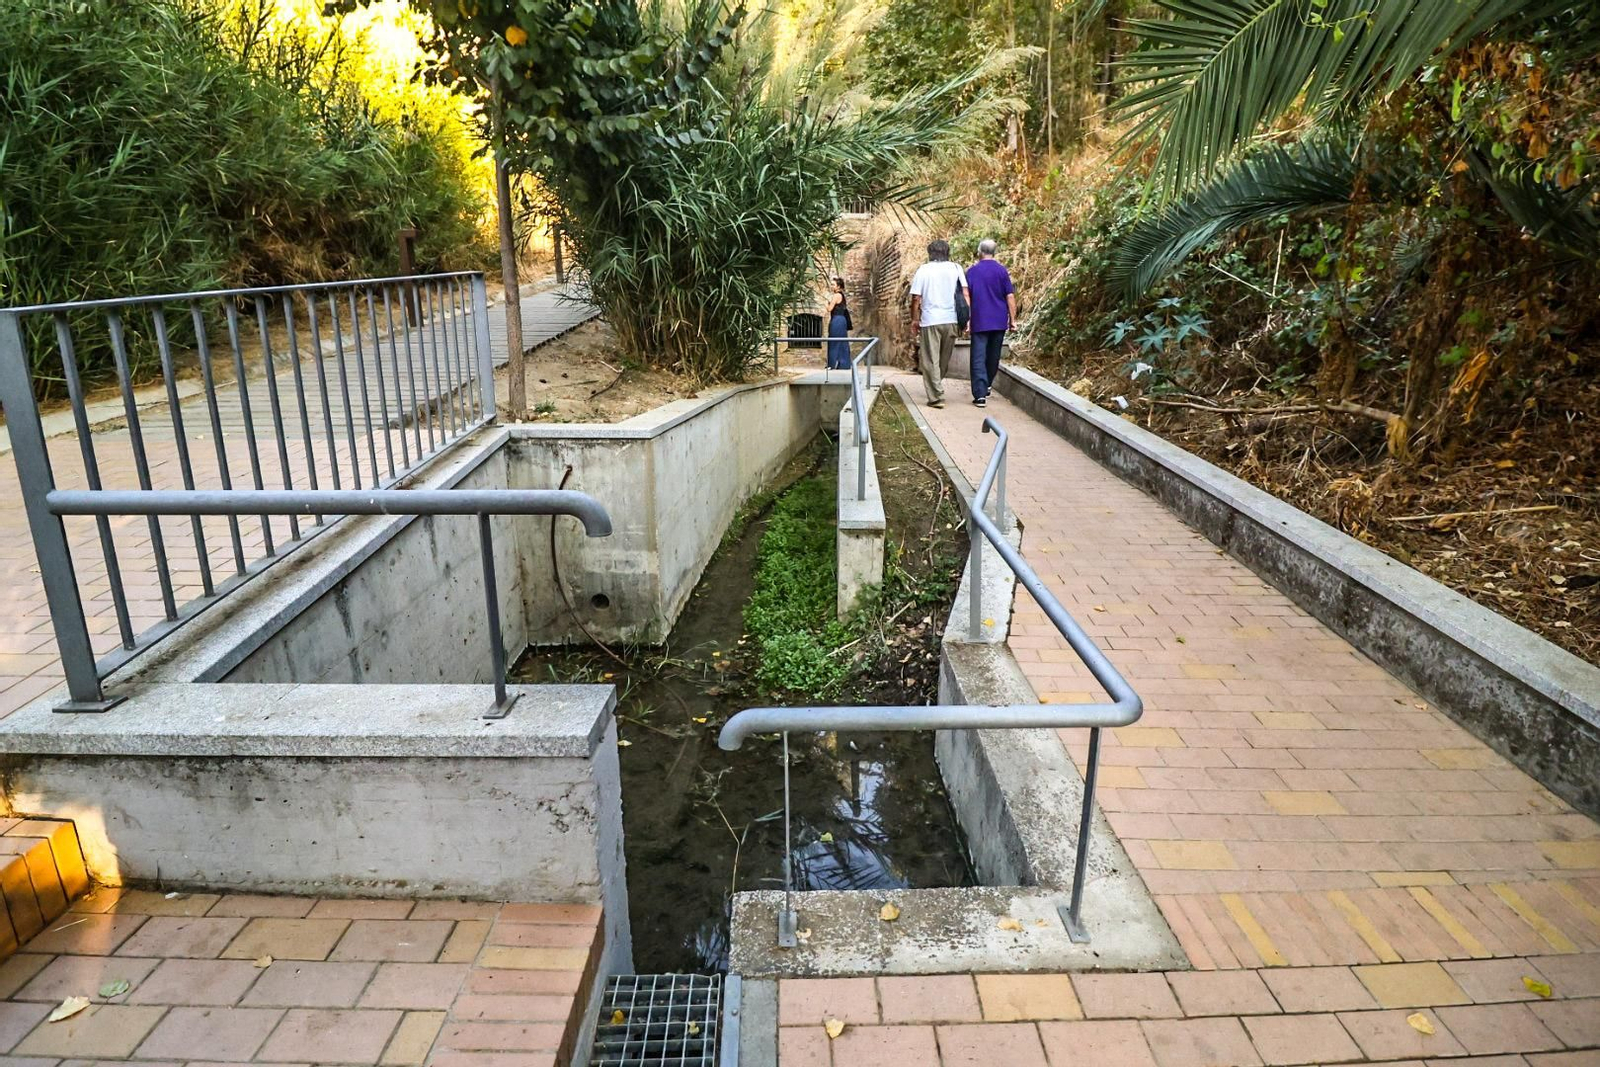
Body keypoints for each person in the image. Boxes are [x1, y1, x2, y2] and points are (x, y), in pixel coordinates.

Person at [908, 239, 968, 408]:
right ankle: (936, 392)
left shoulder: (924, 270)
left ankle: (936, 393)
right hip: (951, 320)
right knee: (943, 359)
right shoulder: (956, 268)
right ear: (947, 253)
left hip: (931, 320)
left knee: (930, 359)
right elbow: (965, 294)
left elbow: (916, 298)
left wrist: (914, 319)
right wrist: (967, 318)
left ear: (930, 253)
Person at [965, 238, 1016, 407]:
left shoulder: (972, 272)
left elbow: (967, 297)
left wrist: (967, 319)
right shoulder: (1002, 271)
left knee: (978, 357)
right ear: (994, 252)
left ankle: (980, 395)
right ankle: (986, 384)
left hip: (979, 320)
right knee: (994, 356)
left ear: (979, 252)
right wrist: (1013, 320)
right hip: (999, 320)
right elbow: (1010, 296)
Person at [825, 275, 852, 371]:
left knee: (834, 341)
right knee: (842, 341)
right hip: (842, 320)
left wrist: (826, 303)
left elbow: (829, 309)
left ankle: (832, 364)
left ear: (838, 286)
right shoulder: (842, 296)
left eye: (833, 285)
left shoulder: (836, 296)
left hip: (837, 320)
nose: (832, 286)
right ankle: (844, 364)